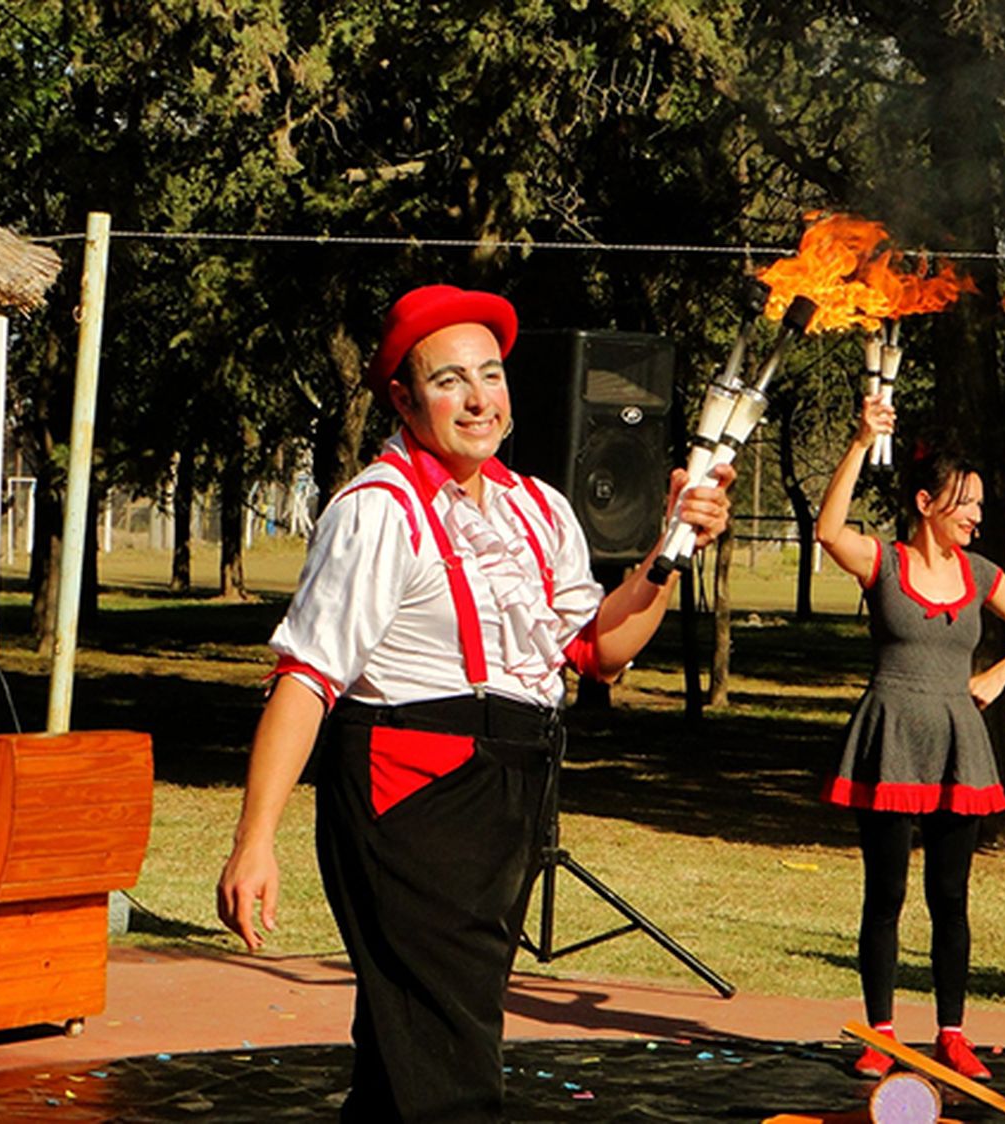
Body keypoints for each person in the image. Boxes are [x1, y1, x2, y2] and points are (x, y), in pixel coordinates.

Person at [215, 283, 732, 1122]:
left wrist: (669, 550)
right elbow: (307, 679)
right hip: (410, 787)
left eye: (490, 375)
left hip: (513, 785)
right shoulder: (377, 514)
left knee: (413, 1049)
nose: (477, 399)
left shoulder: (540, 509)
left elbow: (598, 650)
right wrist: (254, 841)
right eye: (449, 380)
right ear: (404, 398)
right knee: (452, 1062)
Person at [814, 394, 1005, 1082]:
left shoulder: (982, 576)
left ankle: (952, 1033)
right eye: (965, 503)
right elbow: (830, 529)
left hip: (958, 748)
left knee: (950, 897)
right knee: (884, 896)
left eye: (980, 504)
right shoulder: (884, 563)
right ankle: (881, 1034)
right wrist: (862, 440)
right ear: (926, 503)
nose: (977, 515)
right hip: (889, 739)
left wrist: (998, 677)